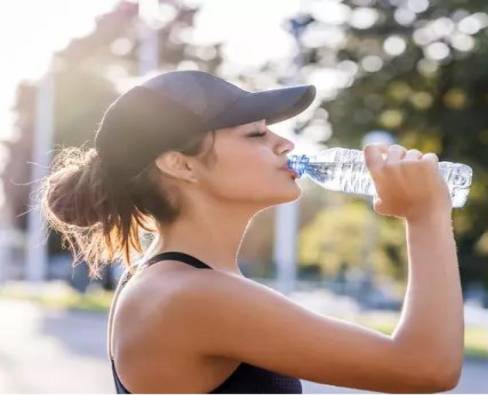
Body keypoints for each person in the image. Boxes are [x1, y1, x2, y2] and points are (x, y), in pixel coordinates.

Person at [38, 70, 464, 393]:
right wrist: (425, 217)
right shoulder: (192, 296)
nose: (285, 144)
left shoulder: (176, 282)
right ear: (180, 164)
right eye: (257, 133)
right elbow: (426, 367)